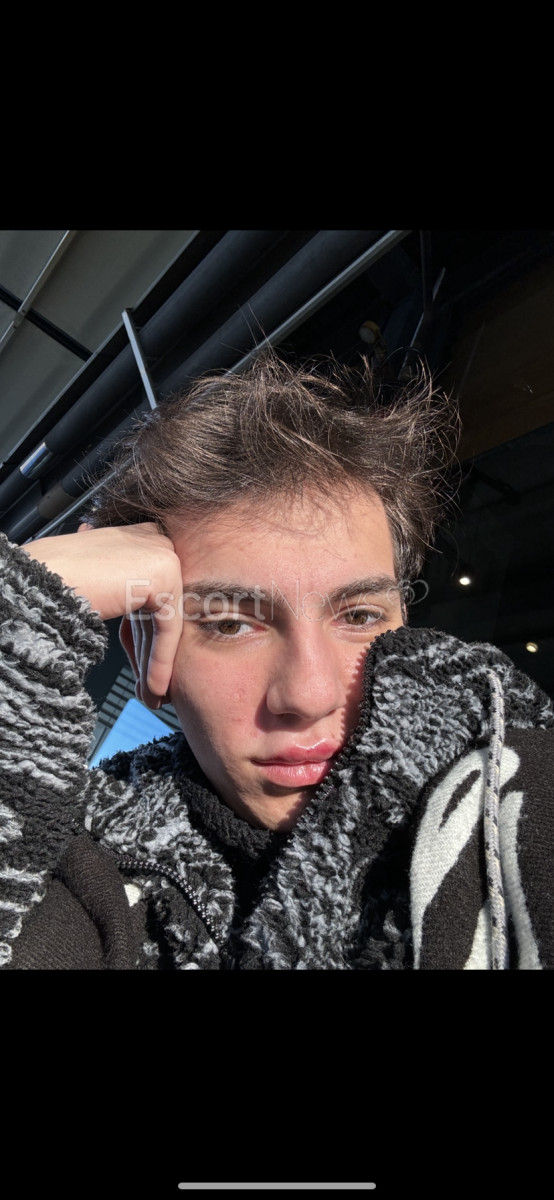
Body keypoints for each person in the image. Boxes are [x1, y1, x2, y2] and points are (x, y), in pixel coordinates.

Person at [0, 351, 552, 970]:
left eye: (359, 616)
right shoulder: (77, 875)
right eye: (231, 623)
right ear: (148, 652)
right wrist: (20, 602)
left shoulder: (517, 795)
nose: (310, 694)